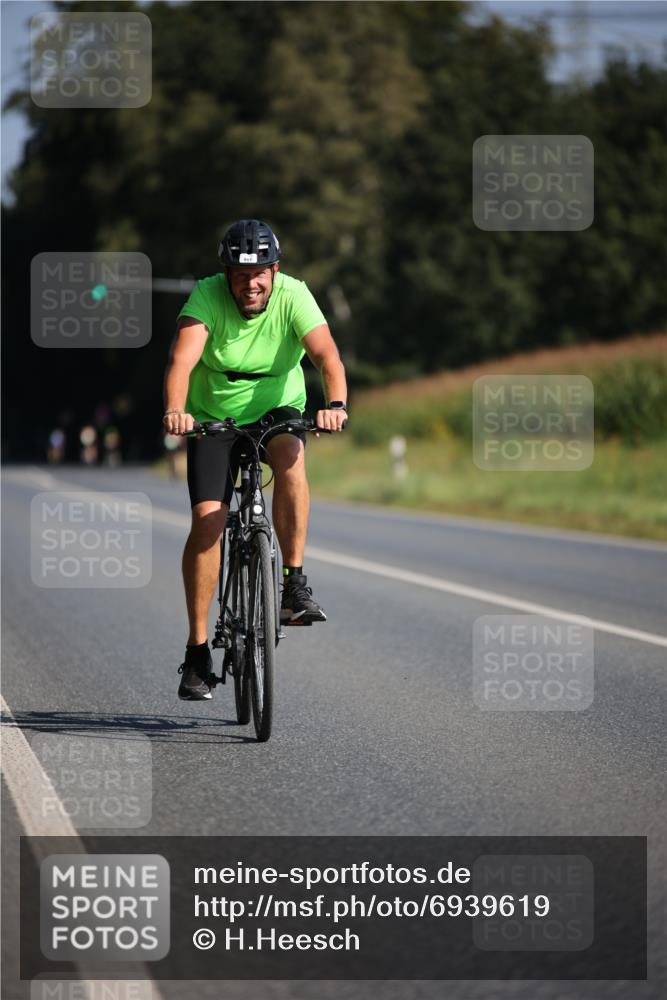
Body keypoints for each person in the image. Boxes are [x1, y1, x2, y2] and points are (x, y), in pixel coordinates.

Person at [163, 219, 347, 700]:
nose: (252, 283)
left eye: (261, 273)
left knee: (291, 457)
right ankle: (198, 651)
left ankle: (293, 585)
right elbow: (182, 362)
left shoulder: (294, 295)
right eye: (241, 275)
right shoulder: (205, 297)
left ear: (275, 270)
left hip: (276, 411)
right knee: (209, 521)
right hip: (212, 418)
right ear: (226, 274)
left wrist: (336, 405)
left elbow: (327, 357)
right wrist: (176, 411)